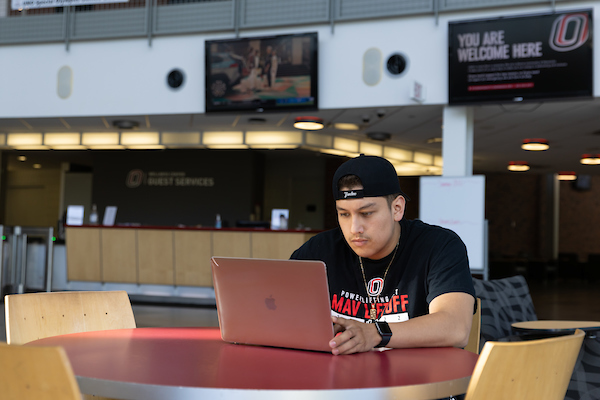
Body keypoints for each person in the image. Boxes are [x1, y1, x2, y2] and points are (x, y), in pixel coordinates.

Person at [291, 155, 476, 356]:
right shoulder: (319, 250)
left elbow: (455, 327)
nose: (355, 228)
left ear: (397, 208)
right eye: (344, 214)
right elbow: (278, 310)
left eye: (367, 213)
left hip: (418, 382)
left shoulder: (439, 246)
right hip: (339, 381)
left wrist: (376, 332)